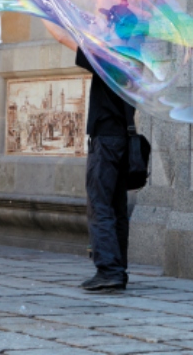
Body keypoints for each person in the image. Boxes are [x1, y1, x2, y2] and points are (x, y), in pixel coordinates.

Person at [43, 19, 135, 292]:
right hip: (123, 140)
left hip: (106, 141)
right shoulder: (131, 62)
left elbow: (62, 36)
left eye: (107, 25)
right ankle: (118, 269)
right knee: (117, 208)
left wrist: (35, 7)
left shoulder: (107, 58)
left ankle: (108, 270)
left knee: (100, 204)